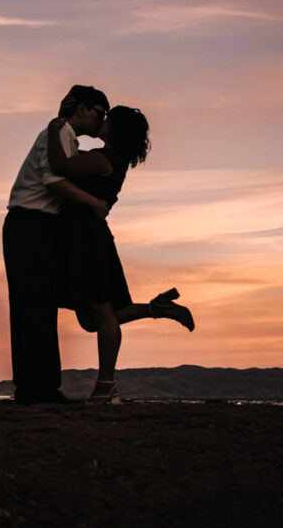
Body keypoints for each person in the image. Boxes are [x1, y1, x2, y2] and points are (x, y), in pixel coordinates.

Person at [47, 106, 194, 404]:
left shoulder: (106, 159)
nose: (103, 121)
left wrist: (54, 126)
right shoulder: (110, 158)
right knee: (91, 321)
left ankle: (106, 387)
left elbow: (60, 165)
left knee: (100, 315)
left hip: (87, 239)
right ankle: (159, 309)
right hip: (82, 238)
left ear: (116, 128)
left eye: (108, 119)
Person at [3, 85, 111, 405]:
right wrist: (94, 202)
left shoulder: (61, 134)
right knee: (38, 306)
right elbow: (54, 179)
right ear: (81, 109)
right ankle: (42, 388)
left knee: (30, 306)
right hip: (33, 224)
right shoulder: (60, 131)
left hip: (27, 224)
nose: (100, 120)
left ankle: (32, 387)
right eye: (98, 113)